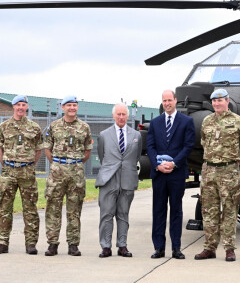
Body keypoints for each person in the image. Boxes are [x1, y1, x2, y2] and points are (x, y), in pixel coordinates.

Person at [195, 89, 240, 262]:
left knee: (229, 210)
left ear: (227, 101)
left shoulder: (238, 121)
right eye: (214, 101)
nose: (217, 104)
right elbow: (204, 143)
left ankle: (229, 249)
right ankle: (209, 248)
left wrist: (234, 163)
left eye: (220, 101)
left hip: (229, 171)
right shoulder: (207, 121)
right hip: (209, 170)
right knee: (209, 210)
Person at [0, 95, 43, 255]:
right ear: (13, 107)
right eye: (18, 104)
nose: (21, 107)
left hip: (27, 172)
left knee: (30, 208)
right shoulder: (4, 126)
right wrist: (6, 164)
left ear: (27, 107)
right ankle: (2, 242)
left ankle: (31, 243)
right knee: (4, 208)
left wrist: (29, 164)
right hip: (9, 171)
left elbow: (38, 150)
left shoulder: (34, 127)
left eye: (23, 104)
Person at [147, 90, 195, 259]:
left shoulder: (186, 121)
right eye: (164, 100)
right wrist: (157, 165)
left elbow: (188, 145)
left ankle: (176, 248)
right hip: (159, 174)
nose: (167, 103)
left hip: (176, 173)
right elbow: (150, 147)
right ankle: (159, 248)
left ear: (176, 101)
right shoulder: (155, 123)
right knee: (158, 211)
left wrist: (174, 163)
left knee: (176, 211)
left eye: (170, 100)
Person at [43, 96, 93, 257]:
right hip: (57, 172)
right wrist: (59, 163)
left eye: (74, 105)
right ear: (63, 107)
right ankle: (52, 244)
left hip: (76, 173)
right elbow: (47, 149)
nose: (72, 108)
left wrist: (74, 163)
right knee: (53, 208)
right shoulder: (54, 126)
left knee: (74, 210)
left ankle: (73, 244)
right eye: (69, 105)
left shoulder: (84, 127)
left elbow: (87, 151)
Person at [96, 103, 142, 258]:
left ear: (127, 116)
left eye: (124, 114)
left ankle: (122, 245)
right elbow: (102, 156)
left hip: (127, 179)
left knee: (123, 214)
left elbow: (136, 157)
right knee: (106, 213)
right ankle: (106, 246)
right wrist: (111, 169)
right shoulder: (104, 135)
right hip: (108, 178)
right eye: (119, 114)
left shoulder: (136, 135)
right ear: (113, 116)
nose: (121, 117)